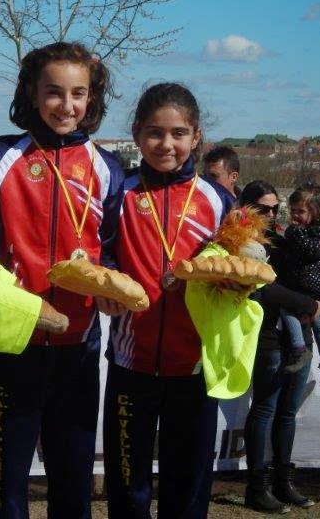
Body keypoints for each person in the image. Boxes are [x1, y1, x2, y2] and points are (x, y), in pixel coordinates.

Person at [0, 41, 125, 518]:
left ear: (91, 97)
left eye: (78, 93)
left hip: (78, 343)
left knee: (73, 479)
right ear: (32, 93)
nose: (66, 105)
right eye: (54, 92)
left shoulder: (107, 167)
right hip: (12, 339)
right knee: (6, 482)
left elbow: (112, 248)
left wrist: (111, 284)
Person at [99, 83, 226, 518]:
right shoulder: (120, 193)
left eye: (178, 133)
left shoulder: (216, 199)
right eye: (155, 132)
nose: (166, 144)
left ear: (196, 136)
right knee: (126, 482)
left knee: (187, 483)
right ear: (137, 134)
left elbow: (239, 265)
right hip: (130, 363)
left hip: (194, 365)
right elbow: (100, 252)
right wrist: (106, 283)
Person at [241, 180, 320, 514]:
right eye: (264, 208)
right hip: (267, 335)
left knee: (288, 411)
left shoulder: (283, 239)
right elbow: (261, 287)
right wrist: (306, 302)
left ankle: (283, 481)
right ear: (247, 207)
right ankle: (256, 486)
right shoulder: (239, 241)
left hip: (299, 334)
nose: (272, 214)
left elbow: (306, 275)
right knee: (264, 409)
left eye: (276, 208)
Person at [277, 184, 320, 384]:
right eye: (293, 211)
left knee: (287, 308)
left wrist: (294, 232)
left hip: (308, 283)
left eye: (301, 211)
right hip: (309, 283)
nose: (295, 216)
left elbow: (312, 250)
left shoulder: (318, 234)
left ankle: (300, 348)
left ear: (316, 211)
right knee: (317, 319)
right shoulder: (317, 232)